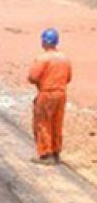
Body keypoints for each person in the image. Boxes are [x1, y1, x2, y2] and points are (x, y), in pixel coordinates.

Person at [28, 28, 72, 166]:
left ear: (44, 42)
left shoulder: (42, 58)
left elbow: (32, 77)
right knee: (57, 123)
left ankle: (46, 153)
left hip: (47, 93)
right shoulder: (65, 59)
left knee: (43, 123)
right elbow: (68, 78)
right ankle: (56, 152)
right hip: (61, 94)